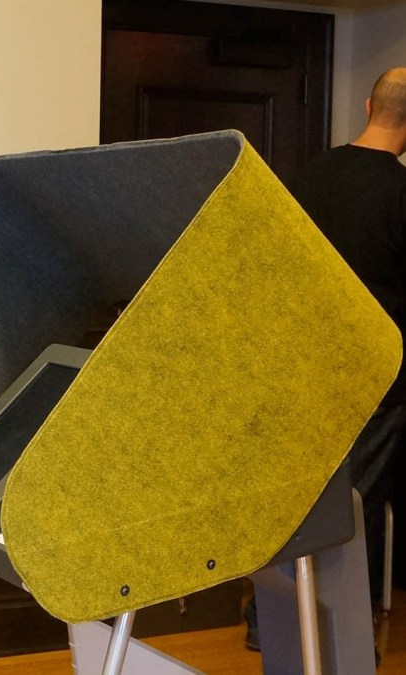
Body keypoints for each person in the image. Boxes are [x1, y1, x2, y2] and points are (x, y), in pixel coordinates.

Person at [245, 67, 406, 651]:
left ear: (367, 104)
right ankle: (342, 636)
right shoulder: (399, 192)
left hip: (303, 368)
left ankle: (272, 624)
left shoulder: (310, 176)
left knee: (296, 499)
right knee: (356, 506)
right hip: (377, 378)